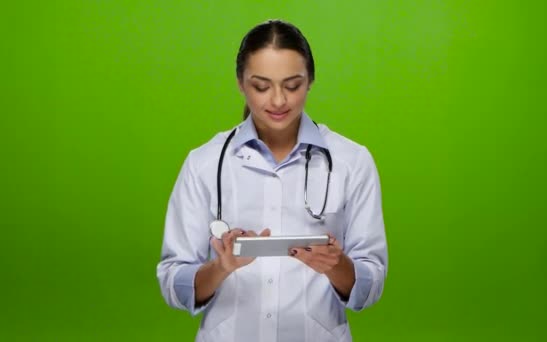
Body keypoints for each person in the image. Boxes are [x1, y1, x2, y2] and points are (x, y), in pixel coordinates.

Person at [157, 19, 388, 342]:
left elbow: (371, 285)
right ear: (240, 83)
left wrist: (335, 265)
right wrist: (220, 267)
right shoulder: (204, 163)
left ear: (310, 81)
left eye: (292, 85)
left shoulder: (352, 161)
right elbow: (173, 282)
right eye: (261, 86)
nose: (278, 101)